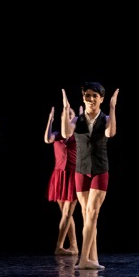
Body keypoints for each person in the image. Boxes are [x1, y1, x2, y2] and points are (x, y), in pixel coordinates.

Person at [61, 81, 120, 271]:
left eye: (95, 96)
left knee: (93, 213)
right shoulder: (77, 120)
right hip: (81, 170)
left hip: (100, 170)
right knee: (86, 216)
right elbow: (64, 133)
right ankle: (93, 257)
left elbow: (111, 133)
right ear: (83, 98)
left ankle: (84, 259)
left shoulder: (106, 118)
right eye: (88, 95)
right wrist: (64, 110)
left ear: (101, 99)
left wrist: (112, 107)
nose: (91, 99)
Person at [43, 104, 78, 255]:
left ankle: (59, 246)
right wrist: (50, 120)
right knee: (66, 214)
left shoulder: (79, 136)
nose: (68, 119)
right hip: (59, 176)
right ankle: (74, 246)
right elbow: (46, 139)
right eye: (66, 116)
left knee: (67, 213)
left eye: (71, 116)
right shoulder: (57, 135)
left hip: (73, 176)